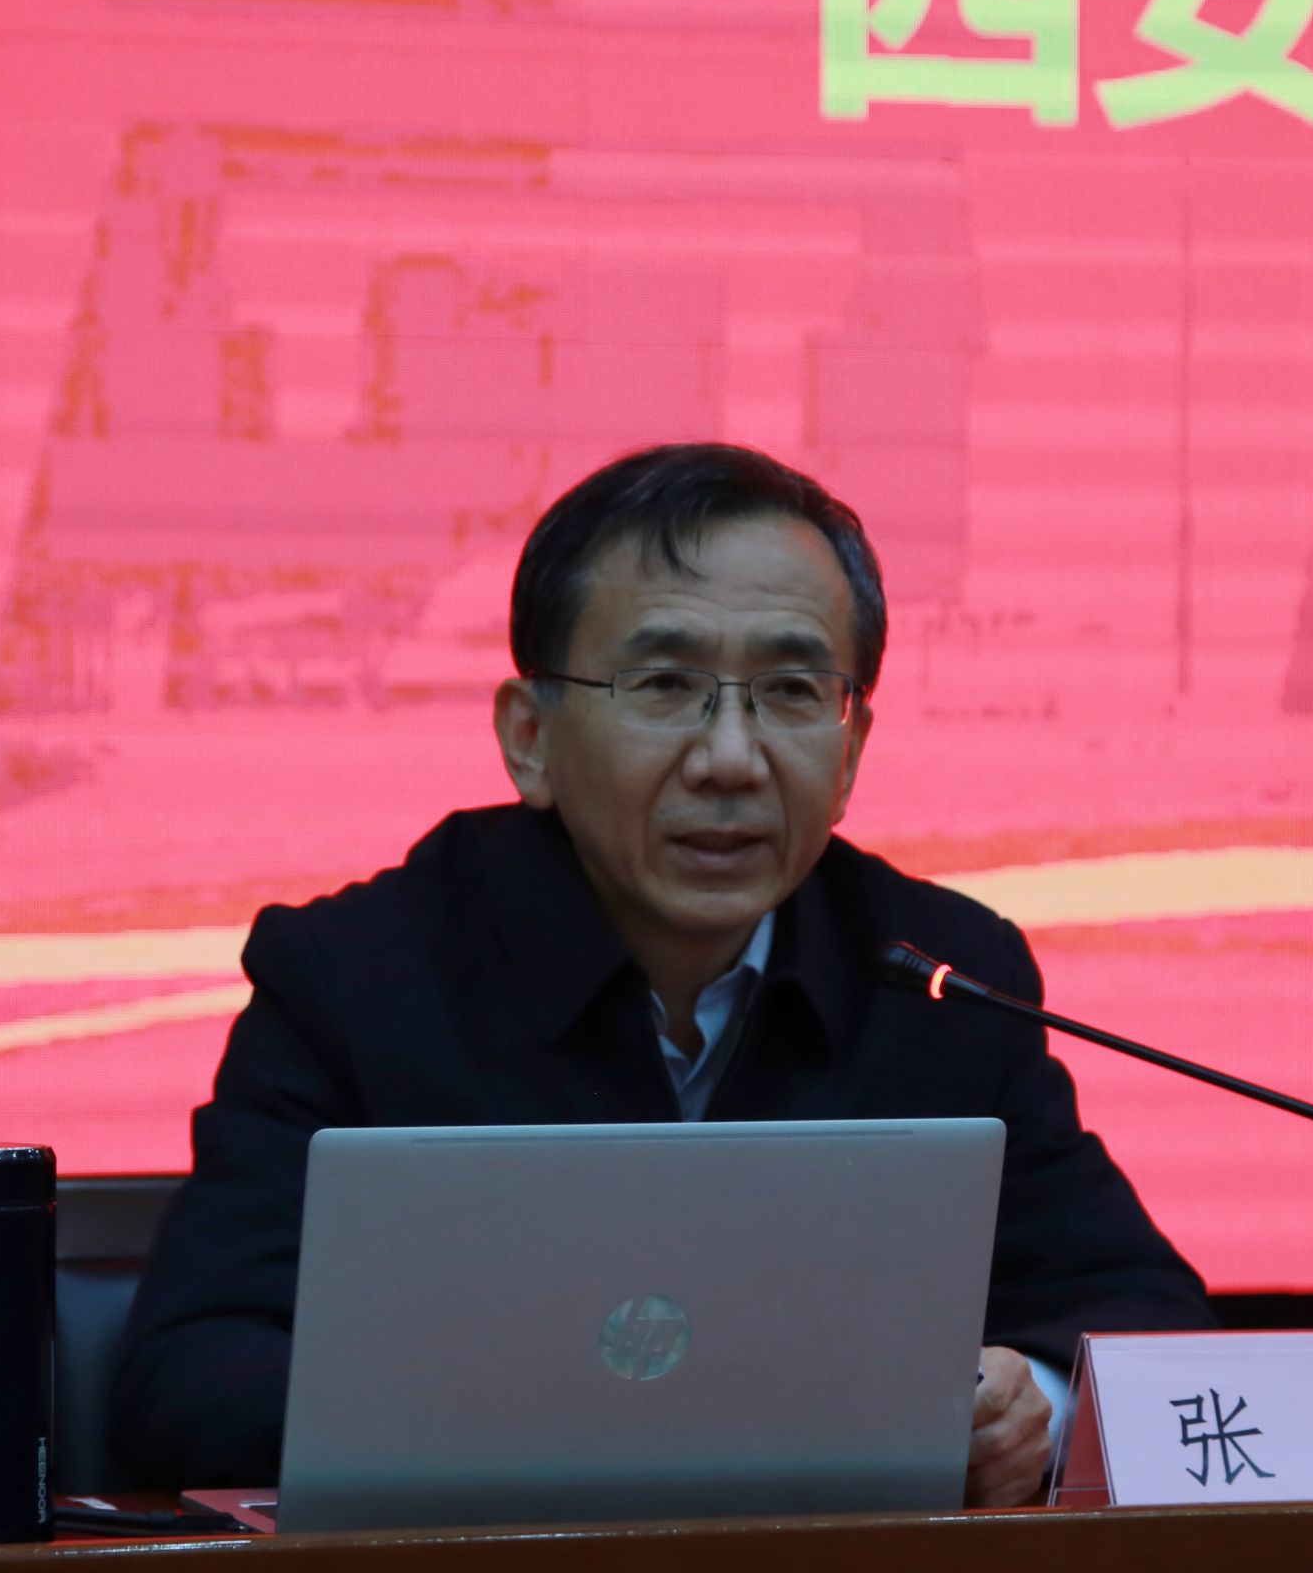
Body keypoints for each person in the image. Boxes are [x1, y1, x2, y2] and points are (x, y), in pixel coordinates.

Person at [110, 442, 1212, 1503]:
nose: (730, 759)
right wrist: (557, 1425)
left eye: (791, 690)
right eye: (666, 684)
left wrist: (1033, 1410)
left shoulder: (941, 979)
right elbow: (190, 1380)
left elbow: (1146, 1321)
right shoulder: (356, 981)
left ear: (851, 749)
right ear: (529, 737)